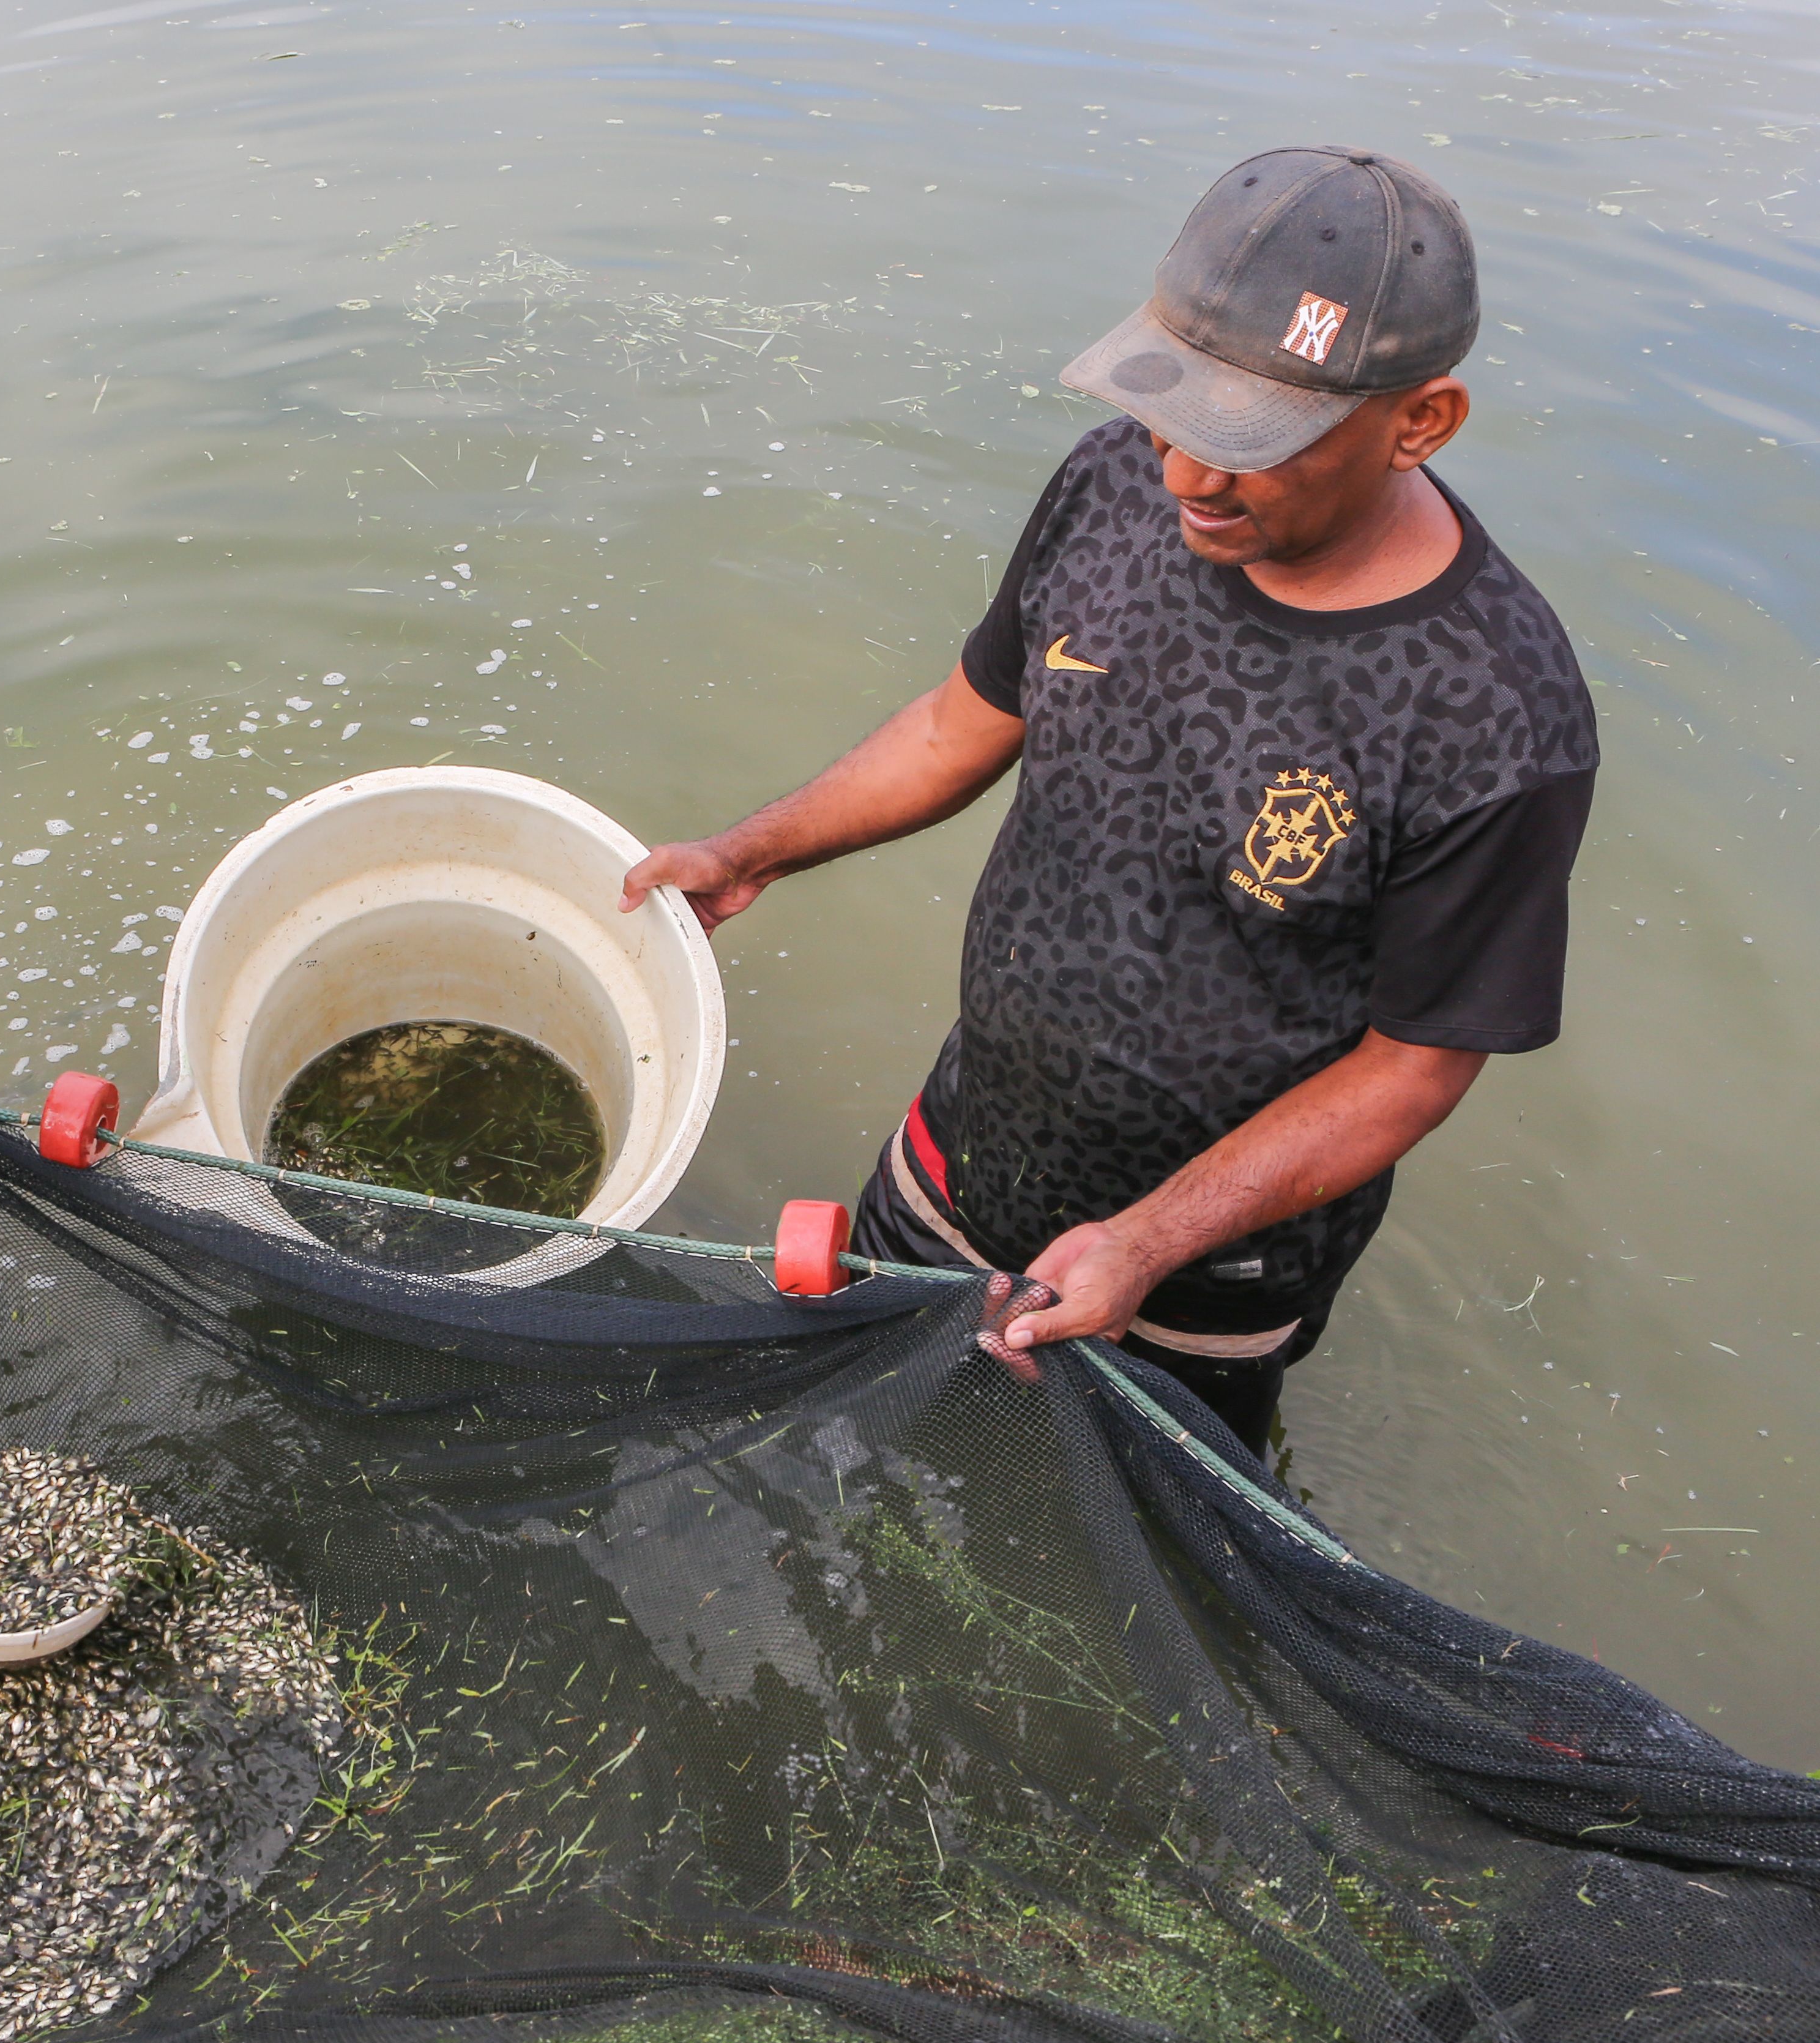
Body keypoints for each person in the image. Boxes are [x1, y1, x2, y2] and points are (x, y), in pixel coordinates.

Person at [623, 146, 1597, 1451]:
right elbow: (956, 725)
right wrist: (752, 852)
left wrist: (1147, 1241)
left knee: (1121, 1541)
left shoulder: (1495, 712)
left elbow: (1413, 1068)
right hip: (964, 1147)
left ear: (1419, 422)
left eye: (1257, 444)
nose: (1188, 477)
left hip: (1203, 1277)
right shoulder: (1111, 486)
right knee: (879, 1449)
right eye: (1172, 405)